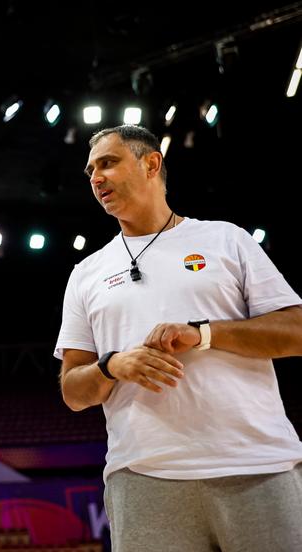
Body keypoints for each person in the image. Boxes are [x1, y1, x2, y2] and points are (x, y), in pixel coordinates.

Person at [55, 124, 302, 551]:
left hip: (257, 465)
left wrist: (203, 333)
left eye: (108, 163)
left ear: (151, 164)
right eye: (90, 170)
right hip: (143, 479)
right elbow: (73, 391)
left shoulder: (226, 239)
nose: (95, 178)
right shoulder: (87, 273)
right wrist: (113, 365)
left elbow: (296, 332)